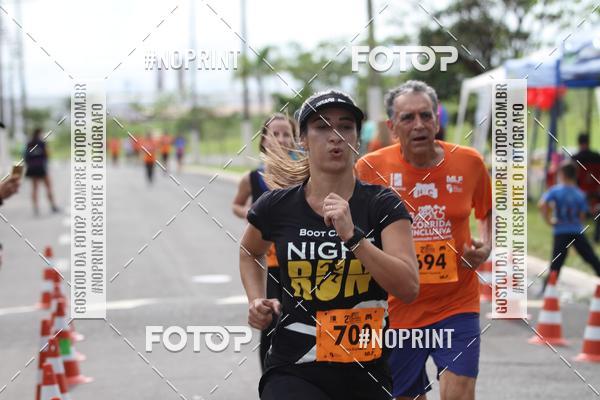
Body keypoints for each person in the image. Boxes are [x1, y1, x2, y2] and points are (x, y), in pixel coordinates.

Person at [239, 89, 419, 400]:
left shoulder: (382, 204)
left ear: (357, 139)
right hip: (294, 366)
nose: (335, 136)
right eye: (322, 127)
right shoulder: (277, 206)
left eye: (345, 126)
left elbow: (408, 287)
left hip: (366, 369)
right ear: (303, 140)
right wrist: (256, 299)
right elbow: (249, 251)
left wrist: (354, 238)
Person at [355, 80, 492, 400]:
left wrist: (486, 245)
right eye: (407, 118)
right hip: (396, 310)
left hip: (456, 304)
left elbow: (487, 211)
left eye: (426, 115)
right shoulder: (370, 168)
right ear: (392, 127)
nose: (419, 125)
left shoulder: (469, 162)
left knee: (459, 394)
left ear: (437, 119)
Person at [232, 113, 297, 371]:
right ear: (264, 140)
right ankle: (270, 378)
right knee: (270, 320)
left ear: (295, 140)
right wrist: (252, 215)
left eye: (286, 134)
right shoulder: (253, 178)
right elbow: (237, 205)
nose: (281, 139)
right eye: (275, 134)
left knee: (299, 319)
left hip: (298, 260)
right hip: (267, 263)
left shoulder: (305, 177)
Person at [539, 161, 600, 293]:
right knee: (591, 258)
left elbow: (542, 204)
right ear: (575, 175)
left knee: (556, 263)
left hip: (561, 231)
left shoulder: (555, 190)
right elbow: (582, 215)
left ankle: (548, 290)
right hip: (576, 231)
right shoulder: (580, 193)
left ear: (561, 174)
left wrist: (549, 220)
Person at [572, 132, 600, 242]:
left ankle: (575, 235)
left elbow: (573, 180)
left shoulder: (574, 159)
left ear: (579, 143)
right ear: (588, 142)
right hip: (596, 194)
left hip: (580, 195)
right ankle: (597, 237)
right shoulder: (597, 157)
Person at [24, 128, 59, 215]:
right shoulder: (42, 143)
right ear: (39, 133)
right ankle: (53, 205)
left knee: (34, 188)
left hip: (32, 168)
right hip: (41, 167)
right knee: (48, 186)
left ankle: (35, 207)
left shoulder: (29, 143)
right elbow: (47, 154)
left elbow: (25, 157)